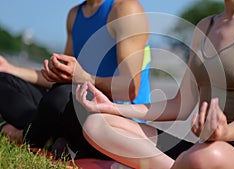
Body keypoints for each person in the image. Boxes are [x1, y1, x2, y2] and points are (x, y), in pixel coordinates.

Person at [76, 0, 234, 168]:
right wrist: (113, 108)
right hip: (202, 149)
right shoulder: (206, 25)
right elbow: (180, 105)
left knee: (205, 155)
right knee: (97, 124)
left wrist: (223, 133)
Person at [1, 0, 151, 160]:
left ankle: (26, 135)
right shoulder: (74, 15)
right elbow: (65, 78)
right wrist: (10, 69)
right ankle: (50, 133)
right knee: (5, 81)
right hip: (77, 103)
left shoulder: (126, 10)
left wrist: (82, 77)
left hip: (115, 121)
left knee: (61, 95)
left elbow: (129, 89)